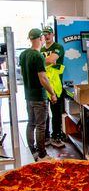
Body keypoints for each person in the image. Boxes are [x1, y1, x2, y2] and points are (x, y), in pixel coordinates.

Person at [20, 28, 57, 161]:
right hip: (38, 96)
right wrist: (52, 93)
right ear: (40, 38)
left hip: (28, 95)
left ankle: (32, 151)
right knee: (41, 125)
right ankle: (42, 155)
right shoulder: (38, 56)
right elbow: (43, 78)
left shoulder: (23, 54)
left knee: (31, 123)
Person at [41, 26, 65, 148]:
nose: (46, 36)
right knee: (44, 114)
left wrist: (47, 60)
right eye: (44, 34)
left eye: (48, 33)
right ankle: (46, 137)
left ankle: (56, 137)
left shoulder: (58, 47)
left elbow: (51, 59)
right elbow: (48, 60)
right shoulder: (41, 49)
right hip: (43, 84)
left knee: (56, 113)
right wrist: (48, 60)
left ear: (53, 34)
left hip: (56, 85)